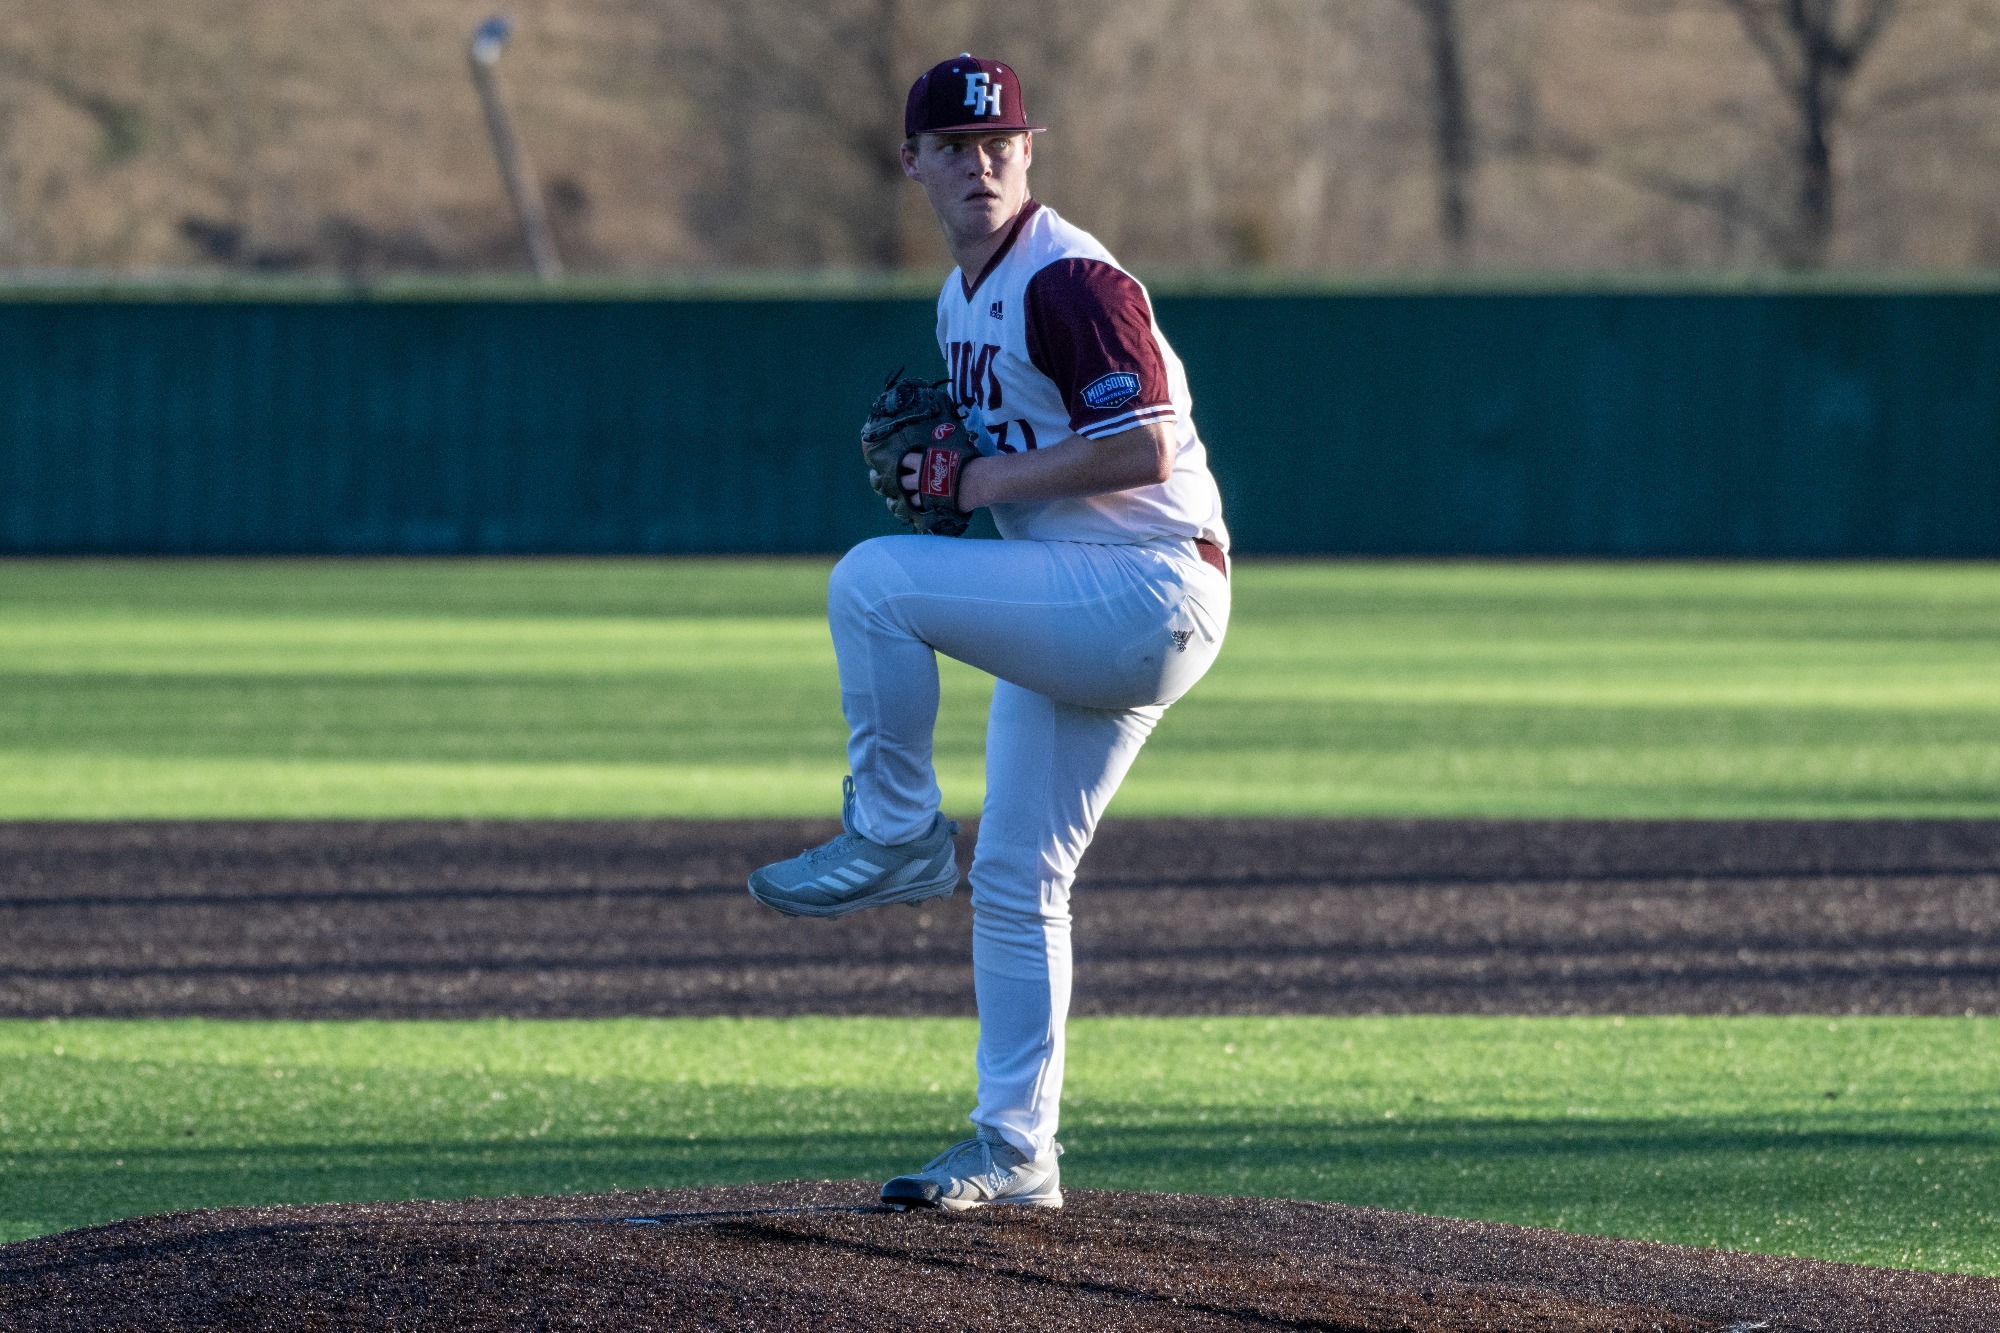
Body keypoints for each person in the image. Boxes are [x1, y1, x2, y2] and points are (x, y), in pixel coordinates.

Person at [749, 53, 1230, 1211]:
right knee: (1017, 882)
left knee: (872, 583)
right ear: (909, 162)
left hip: (1142, 584)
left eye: (998, 143)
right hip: (1082, 588)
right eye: (954, 148)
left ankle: (894, 833)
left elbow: (1143, 448)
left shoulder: (1069, 280)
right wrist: (964, 476)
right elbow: (991, 473)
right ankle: (1017, 1150)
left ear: (1030, 148)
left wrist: (976, 478)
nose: (979, 163)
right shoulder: (964, 293)